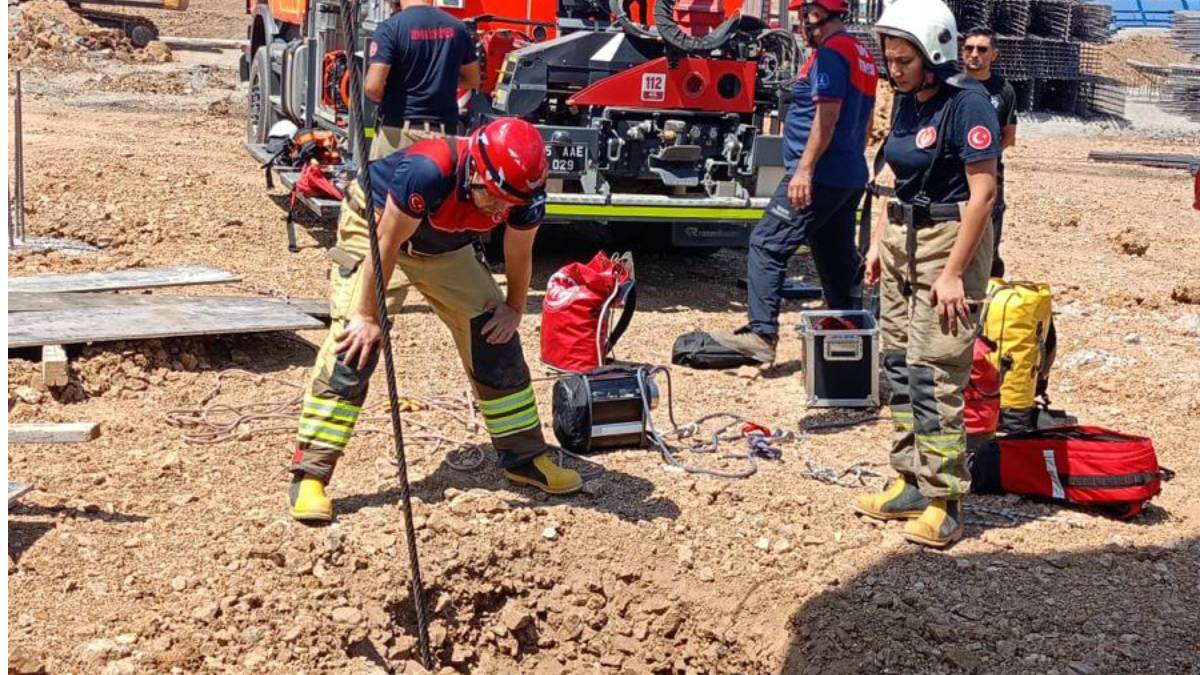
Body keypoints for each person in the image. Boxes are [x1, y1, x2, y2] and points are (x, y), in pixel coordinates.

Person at [287, 118, 583, 522]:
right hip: (376, 228)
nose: (501, 210)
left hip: (446, 247)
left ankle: (524, 457)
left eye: (510, 204)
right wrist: (367, 315)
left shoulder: (523, 196)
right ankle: (311, 473)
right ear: (476, 169)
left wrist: (513, 308)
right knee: (356, 343)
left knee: (494, 334)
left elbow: (518, 254)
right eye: (494, 198)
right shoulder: (428, 170)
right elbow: (386, 244)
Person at [852, 0, 1000, 548]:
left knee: (934, 374)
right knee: (896, 366)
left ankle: (946, 502)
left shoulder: (969, 105)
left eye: (903, 60)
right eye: (889, 59)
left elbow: (983, 196)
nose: (894, 69)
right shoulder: (908, 102)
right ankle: (910, 483)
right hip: (900, 241)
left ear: (933, 53)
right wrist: (877, 245)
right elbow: (892, 177)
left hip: (948, 246)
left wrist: (955, 274)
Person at [711, 0, 877, 364]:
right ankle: (849, 341)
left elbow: (827, 117)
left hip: (818, 174)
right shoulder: (861, 52)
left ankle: (761, 332)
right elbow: (865, 121)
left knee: (767, 244)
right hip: (847, 172)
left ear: (817, 15)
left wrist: (804, 171)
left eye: (804, 17)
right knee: (835, 257)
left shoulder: (832, 53)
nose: (801, 25)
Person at [364, 0, 481, 159]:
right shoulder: (458, 28)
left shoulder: (391, 27)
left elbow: (372, 87)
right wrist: (442, 80)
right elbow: (473, 79)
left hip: (399, 134)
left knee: (385, 183)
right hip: (444, 138)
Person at [962, 27, 1017, 278]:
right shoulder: (950, 86)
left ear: (994, 54)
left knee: (989, 231)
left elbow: (1008, 134)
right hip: (953, 173)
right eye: (969, 48)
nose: (974, 54)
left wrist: (984, 157)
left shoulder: (1003, 90)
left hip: (990, 170)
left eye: (982, 49)